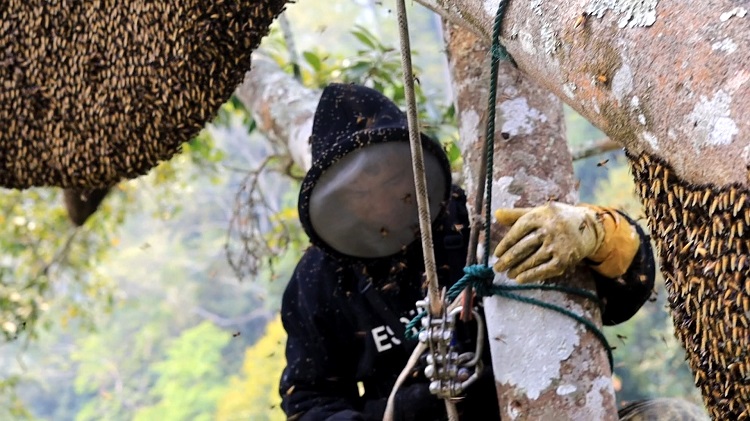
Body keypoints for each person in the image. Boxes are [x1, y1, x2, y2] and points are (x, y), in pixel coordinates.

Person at [279, 83, 656, 421]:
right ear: (339, 203)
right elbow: (308, 402)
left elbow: (628, 291)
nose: (382, 202)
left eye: (393, 181)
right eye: (361, 193)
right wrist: (404, 411)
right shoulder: (318, 282)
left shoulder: (480, 218)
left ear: (416, 171)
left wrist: (595, 232)